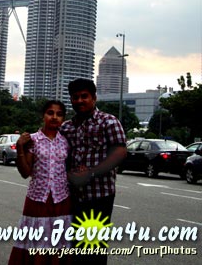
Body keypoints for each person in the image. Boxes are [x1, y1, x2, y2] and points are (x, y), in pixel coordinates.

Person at [60, 78, 127, 264]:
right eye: (75, 97)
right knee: (72, 247)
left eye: (84, 96)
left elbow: (120, 151)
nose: (80, 101)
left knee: (93, 250)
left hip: (99, 197)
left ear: (94, 98)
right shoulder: (66, 127)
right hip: (71, 196)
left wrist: (90, 173)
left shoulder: (108, 122)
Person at [8, 100, 72, 264]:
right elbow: (25, 172)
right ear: (43, 116)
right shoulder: (33, 140)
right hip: (38, 199)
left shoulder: (66, 142)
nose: (54, 117)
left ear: (63, 119)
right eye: (50, 113)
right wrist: (20, 148)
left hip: (61, 199)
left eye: (59, 114)